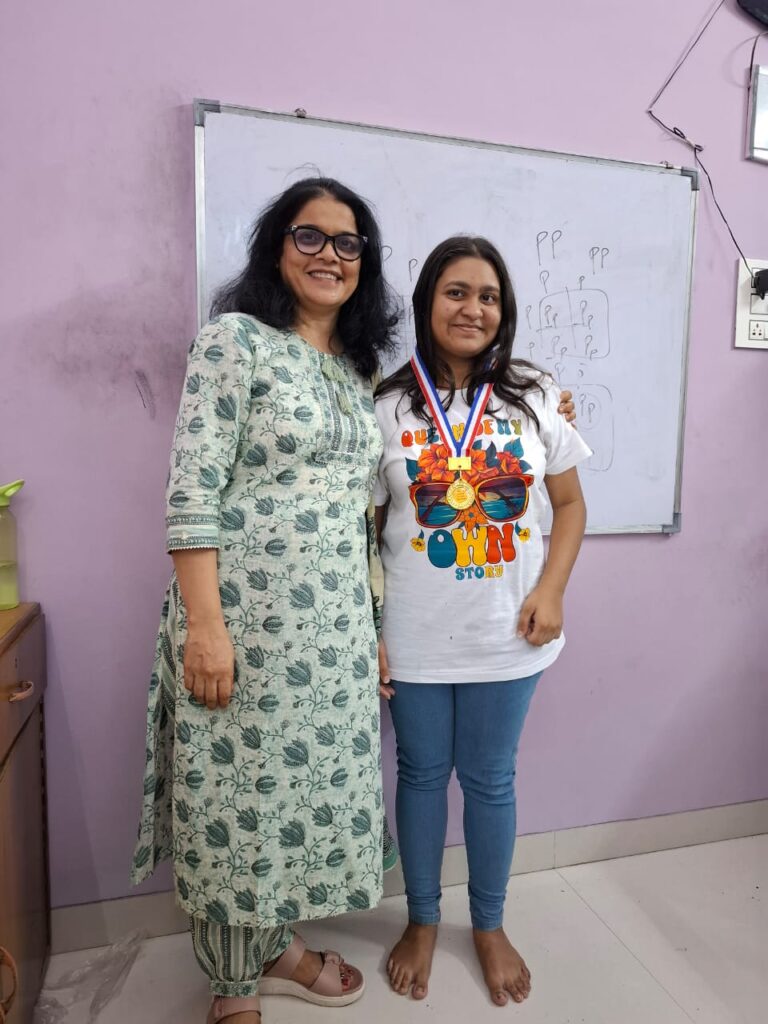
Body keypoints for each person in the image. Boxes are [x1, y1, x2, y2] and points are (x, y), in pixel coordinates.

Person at [131, 178, 401, 1024]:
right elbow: (191, 490)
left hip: (334, 635)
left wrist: (371, 629)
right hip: (242, 625)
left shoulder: (356, 372)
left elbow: (360, 517)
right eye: (308, 236)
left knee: (295, 800)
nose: (329, 255)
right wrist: (205, 629)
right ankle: (232, 989)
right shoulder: (235, 342)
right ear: (277, 247)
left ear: (365, 262)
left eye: (348, 242)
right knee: (236, 803)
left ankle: (277, 945)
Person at [374, 235, 590, 1008]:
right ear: (428, 301)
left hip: (509, 633)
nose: (473, 308)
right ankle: (423, 919)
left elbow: (570, 505)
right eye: (457, 292)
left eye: (489, 296)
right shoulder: (384, 404)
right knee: (420, 775)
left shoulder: (535, 394)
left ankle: (489, 924)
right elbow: (364, 529)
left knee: (491, 781)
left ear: (505, 310)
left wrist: (552, 590)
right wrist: (369, 628)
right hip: (415, 636)